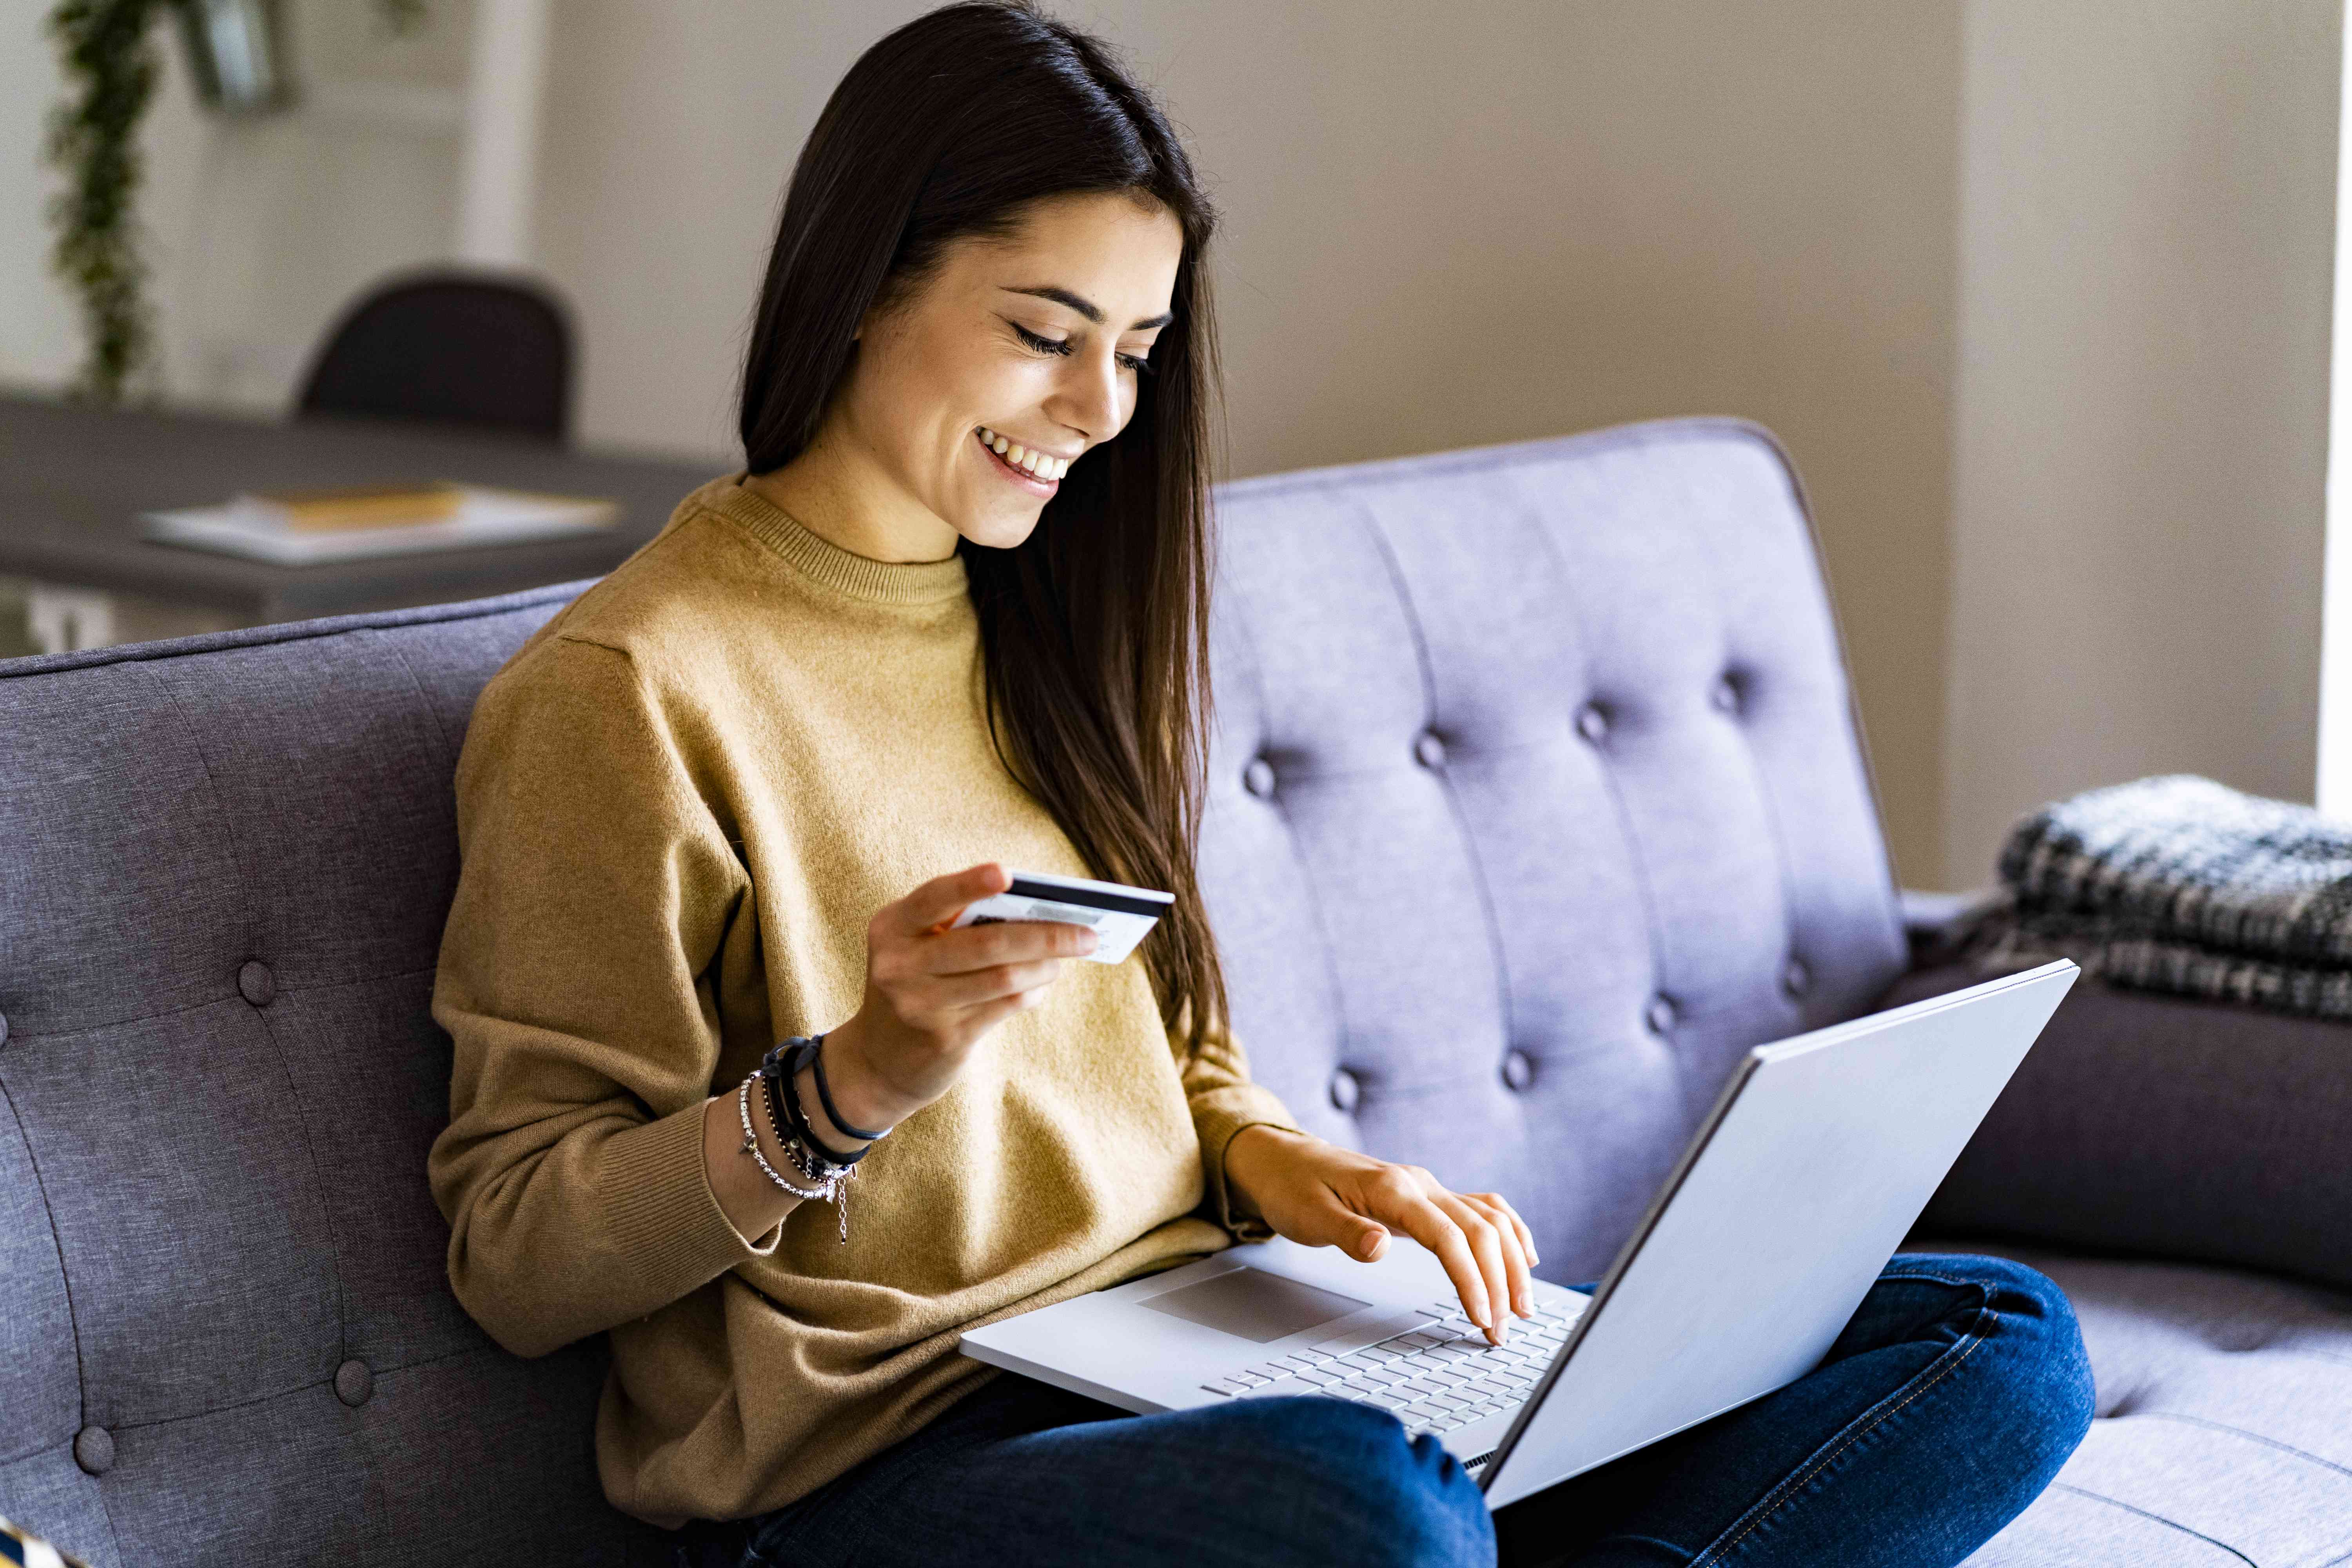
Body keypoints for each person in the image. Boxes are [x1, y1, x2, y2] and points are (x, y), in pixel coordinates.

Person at [425, 5, 2095, 1564]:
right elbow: (517, 1248)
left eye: (1137, 351)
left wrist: (1297, 1166)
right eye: (1044, 334)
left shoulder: (1053, 625)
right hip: (887, 1465)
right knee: (1372, 1506)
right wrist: (846, 1086)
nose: (1098, 410)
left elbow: (1176, 1050)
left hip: (1189, 1347)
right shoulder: (629, 692)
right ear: (866, 282)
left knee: (1995, 1341)